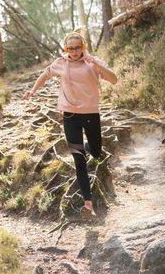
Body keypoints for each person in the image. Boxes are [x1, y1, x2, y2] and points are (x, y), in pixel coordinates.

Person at [23, 32, 117, 220]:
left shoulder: (92, 62)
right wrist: (32, 91)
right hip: (70, 116)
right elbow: (45, 74)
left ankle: (89, 147)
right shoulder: (60, 63)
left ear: (83, 46)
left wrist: (96, 63)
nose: (74, 51)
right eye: (70, 48)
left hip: (91, 114)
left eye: (77, 47)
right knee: (79, 159)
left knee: (96, 151)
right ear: (66, 48)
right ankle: (88, 204)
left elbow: (113, 79)